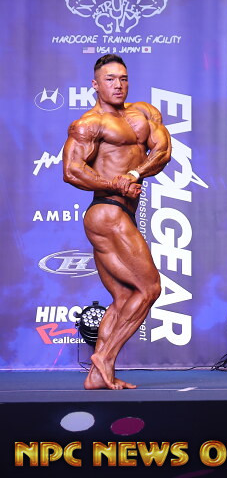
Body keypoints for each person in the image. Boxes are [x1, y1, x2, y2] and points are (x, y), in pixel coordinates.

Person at [62, 54, 172, 389]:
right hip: (106, 211)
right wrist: (115, 184)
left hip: (123, 211)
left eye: (123, 78)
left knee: (125, 297)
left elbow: (163, 151)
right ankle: (105, 357)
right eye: (109, 79)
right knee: (150, 288)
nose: (118, 84)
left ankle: (97, 377)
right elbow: (71, 171)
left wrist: (135, 174)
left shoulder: (144, 114)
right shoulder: (89, 124)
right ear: (95, 85)